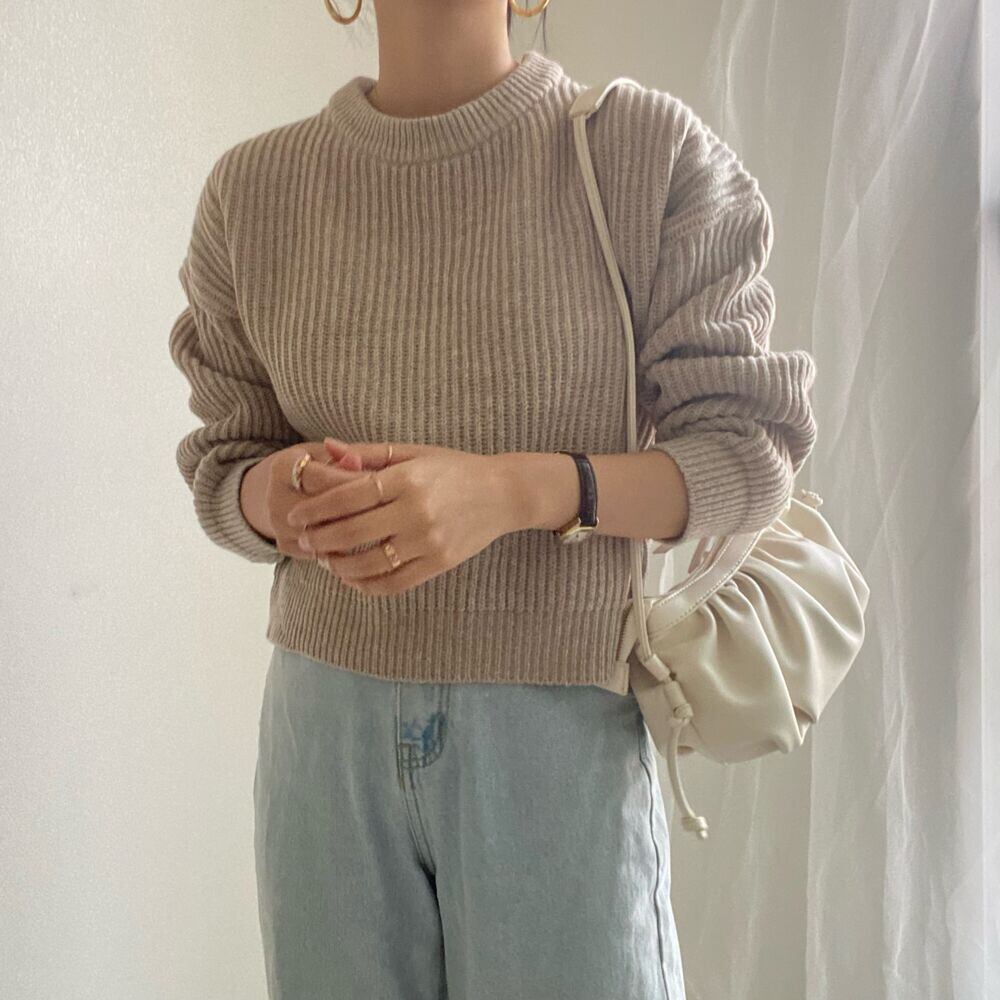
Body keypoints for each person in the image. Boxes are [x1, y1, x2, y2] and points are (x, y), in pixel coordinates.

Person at [168, 1, 817, 996]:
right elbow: (226, 457)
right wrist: (278, 498)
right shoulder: (253, 192)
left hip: (556, 732)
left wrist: (513, 490)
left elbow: (749, 448)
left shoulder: (641, 154)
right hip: (321, 734)